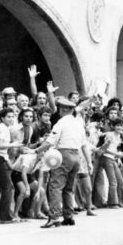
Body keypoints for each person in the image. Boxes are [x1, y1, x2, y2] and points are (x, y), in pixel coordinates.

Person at [36, 97, 90, 228]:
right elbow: (84, 145)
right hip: (77, 156)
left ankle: (54, 216)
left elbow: (50, 141)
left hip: (63, 155)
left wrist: (37, 150)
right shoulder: (78, 123)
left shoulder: (60, 123)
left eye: (60, 108)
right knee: (68, 188)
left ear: (64, 109)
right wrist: (89, 162)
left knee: (55, 186)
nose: (58, 111)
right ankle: (68, 216)